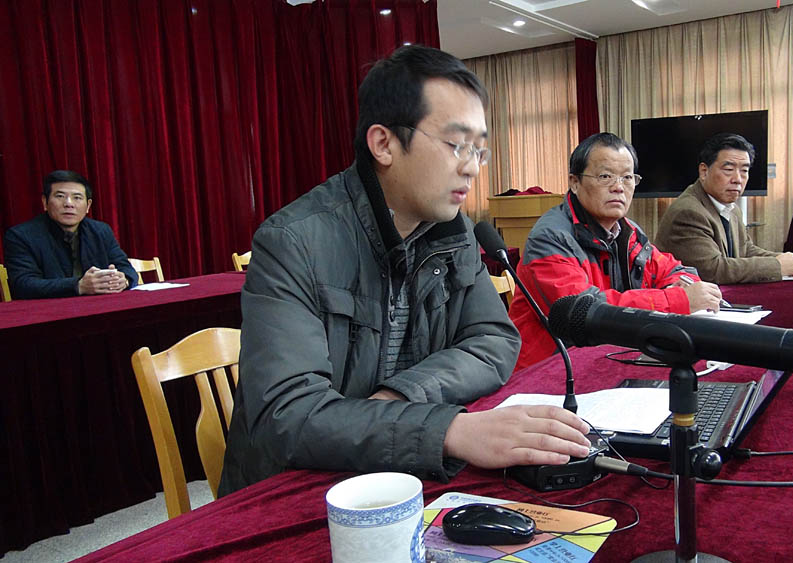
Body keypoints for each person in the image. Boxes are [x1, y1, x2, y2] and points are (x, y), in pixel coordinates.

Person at [218, 45, 592, 495]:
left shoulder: (455, 231)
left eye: (479, 150)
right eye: (457, 145)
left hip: (399, 471)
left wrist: (403, 395)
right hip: (296, 489)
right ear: (384, 144)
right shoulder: (293, 242)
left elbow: (493, 340)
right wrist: (447, 430)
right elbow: (288, 417)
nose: (472, 167)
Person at [508, 132, 723, 370]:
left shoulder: (628, 231)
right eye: (605, 176)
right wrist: (677, 300)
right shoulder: (550, 239)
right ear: (575, 182)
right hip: (552, 367)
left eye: (627, 177)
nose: (618, 187)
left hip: (608, 353)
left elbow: (675, 269)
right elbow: (586, 313)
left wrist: (678, 287)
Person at [653, 133, 793, 284]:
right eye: (729, 169)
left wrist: (782, 259)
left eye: (744, 171)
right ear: (704, 171)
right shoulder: (688, 212)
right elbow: (712, 270)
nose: (738, 179)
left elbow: (745, 249)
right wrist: (776, 266)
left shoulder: (731, 207)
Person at [2, 170, 137, 299]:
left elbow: (126, 268)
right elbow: (23, 284)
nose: (69, 203)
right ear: (45, 202)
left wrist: (123, 280)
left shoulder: (101, 230)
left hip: (99, 307)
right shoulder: (21, 236)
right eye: (60, 196)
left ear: (88, 205)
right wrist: (78, 286)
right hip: (49, 310)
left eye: (77, 197)